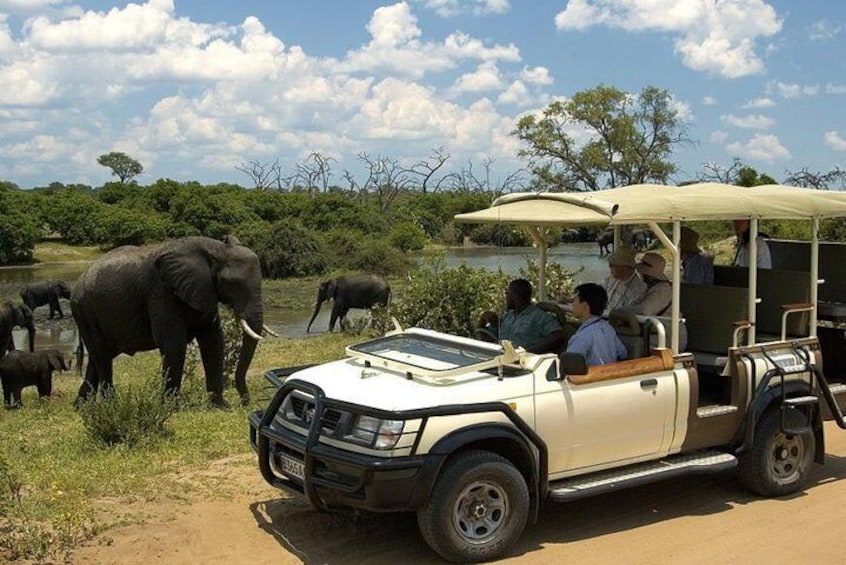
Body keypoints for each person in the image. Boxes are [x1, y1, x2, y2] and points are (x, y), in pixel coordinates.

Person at [479, 279, 566, 354]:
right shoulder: (508, 316)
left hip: (523, 363)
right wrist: (482, 320)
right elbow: (487, 336)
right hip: (501, 358)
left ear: (516, 296)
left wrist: (529, 352)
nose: (506, 297)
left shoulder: (538, 316)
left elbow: (558, 335)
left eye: (507, 293)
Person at [628, 252, 688, 351]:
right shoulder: (650, 287)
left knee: (628, 341)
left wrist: (623, 311)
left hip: (671, 337)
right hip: (656, 332)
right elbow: (633, 303)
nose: (640, 274)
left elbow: (645, 310)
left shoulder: (663, 289)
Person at [566, 283, 627, 366]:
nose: (572, 304)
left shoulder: (582, 337)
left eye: (574, 301)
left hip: (592, 377)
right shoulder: (608, 328)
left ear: (585, 305)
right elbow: (623, 353)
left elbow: (569, 365)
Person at [602, 246, 647, 313]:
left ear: (624, 267)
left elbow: (626, 313)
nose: (609, 267)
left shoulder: (639, 289)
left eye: (611, 265)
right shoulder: (609, 280)